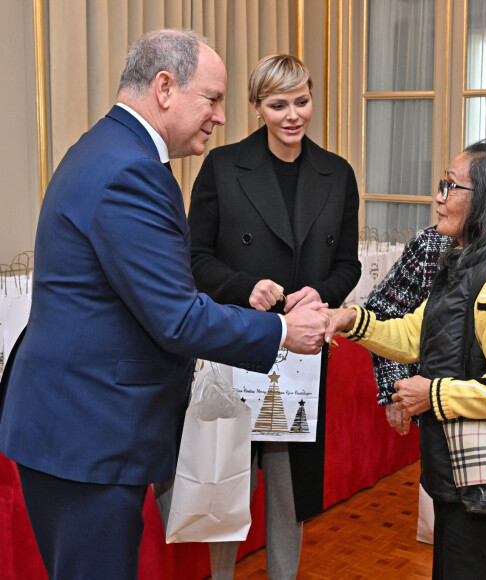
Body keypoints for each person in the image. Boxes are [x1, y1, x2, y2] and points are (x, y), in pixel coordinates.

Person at [0, 30, 329, 580]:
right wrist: (279, 333)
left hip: (78, 425)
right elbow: (176, 317)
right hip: (88, 435)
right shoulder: (130, 171)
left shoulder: (107, 149)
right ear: (165, 87)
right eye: (213, 99)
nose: (221, 117)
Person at [325, 140, 486, 579]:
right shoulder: (467, 268)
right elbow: (415, 334)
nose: (438, 197)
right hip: (469, 485)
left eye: (450, 187)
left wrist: (431, 393)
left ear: (485, 199)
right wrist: (351, 319)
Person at [187, 54, 361, 579]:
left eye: (302, 101)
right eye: (278, 104)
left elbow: (347, 262)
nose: (293, 115)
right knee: (228, 478)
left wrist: (322, 291)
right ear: (257, 107)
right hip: (237, 345)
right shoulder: (222, 166)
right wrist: (245, 288)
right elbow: (194, 258)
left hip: (302, 352)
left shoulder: (337, 173)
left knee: (288, 487)